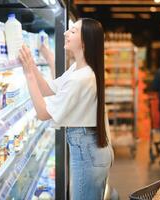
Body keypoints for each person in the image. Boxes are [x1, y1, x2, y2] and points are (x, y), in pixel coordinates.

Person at [19, 18, 113, 200]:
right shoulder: (77, 70)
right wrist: (32, 65)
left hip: (87, 151)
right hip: (88, 147)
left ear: (85, 41)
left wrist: (29, 74)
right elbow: (48, 90)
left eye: (73, 31)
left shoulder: (82, 78)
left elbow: (43, 113)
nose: (65, 33)